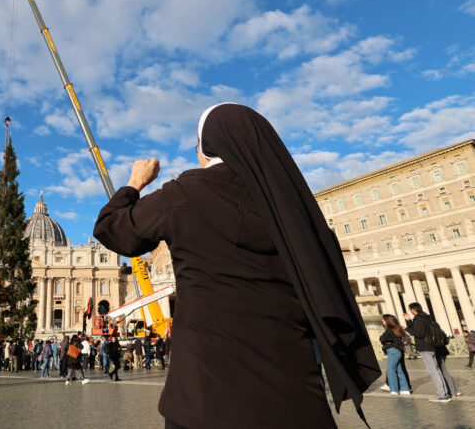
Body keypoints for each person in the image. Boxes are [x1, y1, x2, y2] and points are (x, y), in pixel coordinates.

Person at [93, 103, 379, 428]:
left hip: (204, 398)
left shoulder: (182, 195)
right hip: (294, 398)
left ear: (209, 148)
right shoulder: (292, 209)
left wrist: (134, 183)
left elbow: (112, 229)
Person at [404, 303, 452, 402]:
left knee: (433, 371)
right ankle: (444, 393)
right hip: (431, 346)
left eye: (410, 310)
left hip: (425, 347)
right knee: (436, 370)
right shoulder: (426, 317)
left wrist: (407, 328)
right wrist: (409, 321)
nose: (410, 311)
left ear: (413, 309)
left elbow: (418, 333)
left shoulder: (419, 319)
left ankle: (442, 395)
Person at [379, 315, 411, 395]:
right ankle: (405, 389)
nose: (383, 322)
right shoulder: (398, 328)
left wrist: (389, 342)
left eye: (383, 320)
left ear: (387, 321)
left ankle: (394, 389)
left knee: (391, 370)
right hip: (399, 351)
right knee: (399, 370)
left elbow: (382, 338)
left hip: (392, 351)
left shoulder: (389, 330)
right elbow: (405, 338)